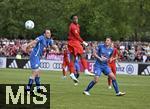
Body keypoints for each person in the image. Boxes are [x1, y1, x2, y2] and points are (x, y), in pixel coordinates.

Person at [24, 29, 58, 95]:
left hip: (38, 58)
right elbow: (34, 41)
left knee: (38, 73)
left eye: (50, 33)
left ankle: (38, 89)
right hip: (34, 56)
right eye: (47, 33)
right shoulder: (41, 37)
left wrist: (56, 49)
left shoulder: (49, 40)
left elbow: (53, 45)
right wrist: (27, 45)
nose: (49, 34)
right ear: (44, 34)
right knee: (35, 72)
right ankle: (27, 90)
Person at [68, 15, 94, 84]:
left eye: (77, 18)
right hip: (74, 43)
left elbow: (76, 36)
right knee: (82, 55)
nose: (76, 20)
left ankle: (72, 73)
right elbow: (77, 36)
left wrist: (81, 42)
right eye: (74, 19)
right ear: (72, 20)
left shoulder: (77, 26)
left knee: (72, 59)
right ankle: (85, 70)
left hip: (72, 43)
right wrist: (83, 42)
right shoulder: (73, 26)